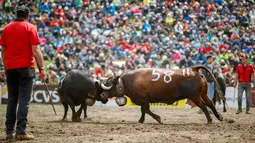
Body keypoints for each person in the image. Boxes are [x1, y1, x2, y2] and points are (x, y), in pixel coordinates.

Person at [0, 5, 46, 141]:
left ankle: (9, 132)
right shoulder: (30, 27)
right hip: (26, 67)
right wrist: (42, 69)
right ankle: (21, 131)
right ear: (27, 16)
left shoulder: (7, 28)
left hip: (11, 68)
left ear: (16, 14)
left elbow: (3, 51)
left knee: (12, 99)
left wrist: (6, 66)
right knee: (24, 99)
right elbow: (36, 49)